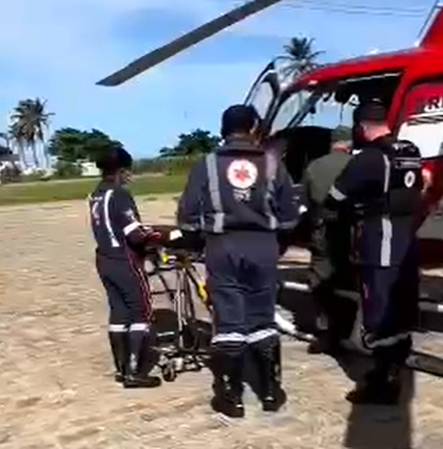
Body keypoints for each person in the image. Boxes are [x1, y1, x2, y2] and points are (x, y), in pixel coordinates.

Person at [177, 104, 298, 418]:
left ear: (222, 130)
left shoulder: (206, 165)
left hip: (222, 246)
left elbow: (188, 216)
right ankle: (270, 391)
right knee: (262, 317)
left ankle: (231, 395)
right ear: (255, 128)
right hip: (263, 247)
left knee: (229, 319)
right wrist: (276, 246)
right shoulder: (273, 164)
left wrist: (196, 243)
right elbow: (288, 217)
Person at [324, 101, 424, 405]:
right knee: (402, 310)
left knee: (379, 314)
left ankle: (382, 381)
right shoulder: (410, 151)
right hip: (407, 243)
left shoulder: (368, 158)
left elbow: (335, 197)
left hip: (379, 243)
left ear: (362, 127)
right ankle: (395, 368)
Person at [87, 146, 162, 389]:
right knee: (141, 310)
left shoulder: (96, 194)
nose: (130, 175)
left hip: (105, 259)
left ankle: (121, 369)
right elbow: (135, 236)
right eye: (128, 170)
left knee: (119, 311)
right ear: (121, 171)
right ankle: (134, 372)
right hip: (125, 260)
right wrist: (156, 237)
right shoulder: (119, 194)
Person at [300, 129, 354, 355]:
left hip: (322, 230)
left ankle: (324, 332)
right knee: (349, 280)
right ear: (348, 143)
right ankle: (348, 331)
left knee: (321, 279)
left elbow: (304, 203)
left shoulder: (314, 167)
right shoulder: (357, 163)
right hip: (352, 231)